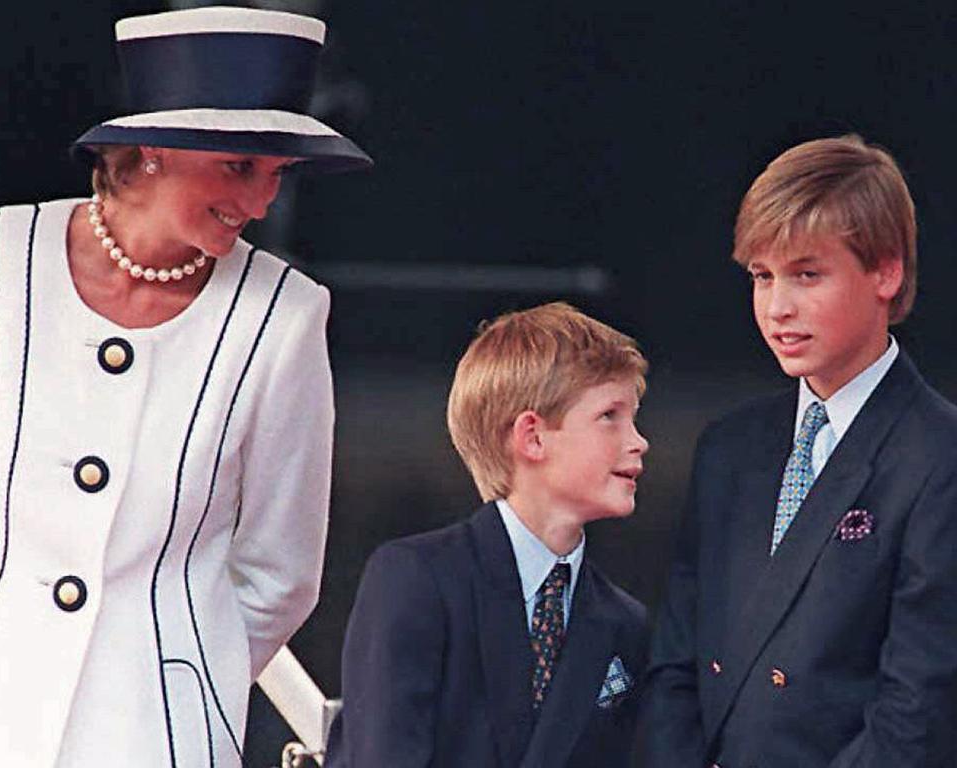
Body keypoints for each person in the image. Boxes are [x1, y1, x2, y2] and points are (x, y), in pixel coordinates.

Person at [0, 7, 370, 767]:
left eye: (277, 174)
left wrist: (183, 674)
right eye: (240, 167)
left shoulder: (285, 315)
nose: (262, 203)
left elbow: (282, 571)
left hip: (157, 734)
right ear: (156, 146)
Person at [643, 135, 957, 767]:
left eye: (807, 274)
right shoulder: (728, 450)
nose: (777, 308)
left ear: (886, 272)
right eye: (762, 277)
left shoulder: (939, 458)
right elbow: (677, 665)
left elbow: (917, 710)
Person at [324, 302, 650, 768]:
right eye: (610, 416)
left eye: (633, 417)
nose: (639, 440)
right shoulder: (416, 580)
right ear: (532, 437)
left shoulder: (624, 622)